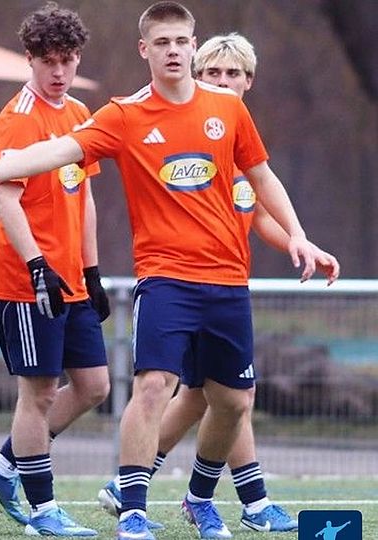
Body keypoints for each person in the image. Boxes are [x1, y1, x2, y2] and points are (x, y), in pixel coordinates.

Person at [0, 3, 337, 539]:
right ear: (144, 50)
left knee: (231, 399)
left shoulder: (228, 111)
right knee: (153, 385)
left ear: (193, 45)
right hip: (159, 277)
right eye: (163, 41)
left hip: (225, 280)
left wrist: (299, 235)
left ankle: (198, 497)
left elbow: (262, 179)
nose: (174, 50)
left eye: (182, 40)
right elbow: (54, 153)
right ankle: (130, 512)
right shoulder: (123, 114)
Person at [96, 32, 340, 534]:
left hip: (223, 290)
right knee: (197, 394)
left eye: (234, 74)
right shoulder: (184, 135)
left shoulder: (239, 140)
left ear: (249, 82)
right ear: (195, 76)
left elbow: (260, 215)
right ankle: (246, 499)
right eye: (213, 73)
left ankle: (142, 486)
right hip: (177, 285)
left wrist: (299, 240)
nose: (223, 82)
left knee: (215, 397)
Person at [0, 5, 108, 537]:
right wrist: (38, 266)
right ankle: (43, 512)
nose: (59, 71)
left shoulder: (80, 113)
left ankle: (3, 467)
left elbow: (85, 194)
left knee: (94, 386)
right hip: (25, 282)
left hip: (70, 279)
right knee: (39, 392)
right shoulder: (18, 118)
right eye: (48, 61)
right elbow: (6, 200)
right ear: (30, 59)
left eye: (67, 60)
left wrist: (90, 270)